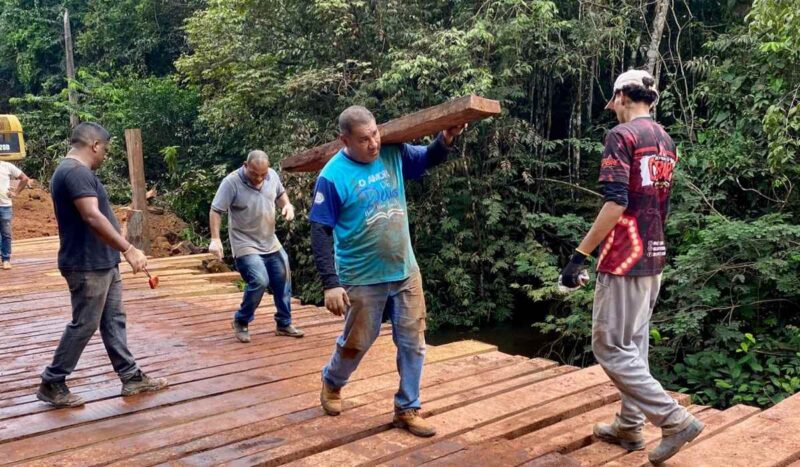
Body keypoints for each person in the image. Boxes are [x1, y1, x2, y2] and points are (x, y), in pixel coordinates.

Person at [559, 69, 703, 464]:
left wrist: (578, 256)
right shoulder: (665, 140)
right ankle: (629, 424)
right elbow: (662, 205)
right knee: (634, 344)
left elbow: (616, 202)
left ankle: (673, 420)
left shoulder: (620, 137)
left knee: (608, 345)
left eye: (614, 102)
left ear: (622, 96)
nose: (614, 110)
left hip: (624, 256)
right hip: (654, 254)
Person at [310, 105, 464, 438]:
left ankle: (407, 408)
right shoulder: (332, 176)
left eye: (376, 133)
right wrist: (330, 284)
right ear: (345, 140)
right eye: (364, 139)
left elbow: (427, 159)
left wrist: (445, 139)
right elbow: (319, 230)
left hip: (404, 269)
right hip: (362, 276)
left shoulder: (393, 151)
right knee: (357, 342)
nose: (374, 143)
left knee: (413, 342)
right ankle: (333, 382)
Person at [37, 122, 168, 408]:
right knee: (84, 323)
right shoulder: (74, 172)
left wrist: (118, 251)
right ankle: (53, 381)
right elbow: (92, 217)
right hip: (85, 264)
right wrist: (129, 248)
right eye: (105, 150)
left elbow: (102, 217)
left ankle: (131, 376)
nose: (105, 156)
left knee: (113, 321)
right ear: (95, 145)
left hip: (102, 261)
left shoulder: (76, 173)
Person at [209, 150, 302, 342]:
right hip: (245, 243)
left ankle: (284, 323)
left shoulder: (272, 175)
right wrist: (215, 239)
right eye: (254, 174)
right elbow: (216, 210)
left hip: (270, 240)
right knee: (260, 280)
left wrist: (287, 205)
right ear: (245, 165)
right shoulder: (231, 182)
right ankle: (241, 320)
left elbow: (281, 193)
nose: (259, 178)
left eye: (263, 175)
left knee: (283, 276)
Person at [0, 159, 30, 269]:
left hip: (5, 206)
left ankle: (6, 259)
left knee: (6, 233)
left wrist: (16, 193)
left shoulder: (7, 166)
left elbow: (24, 178)